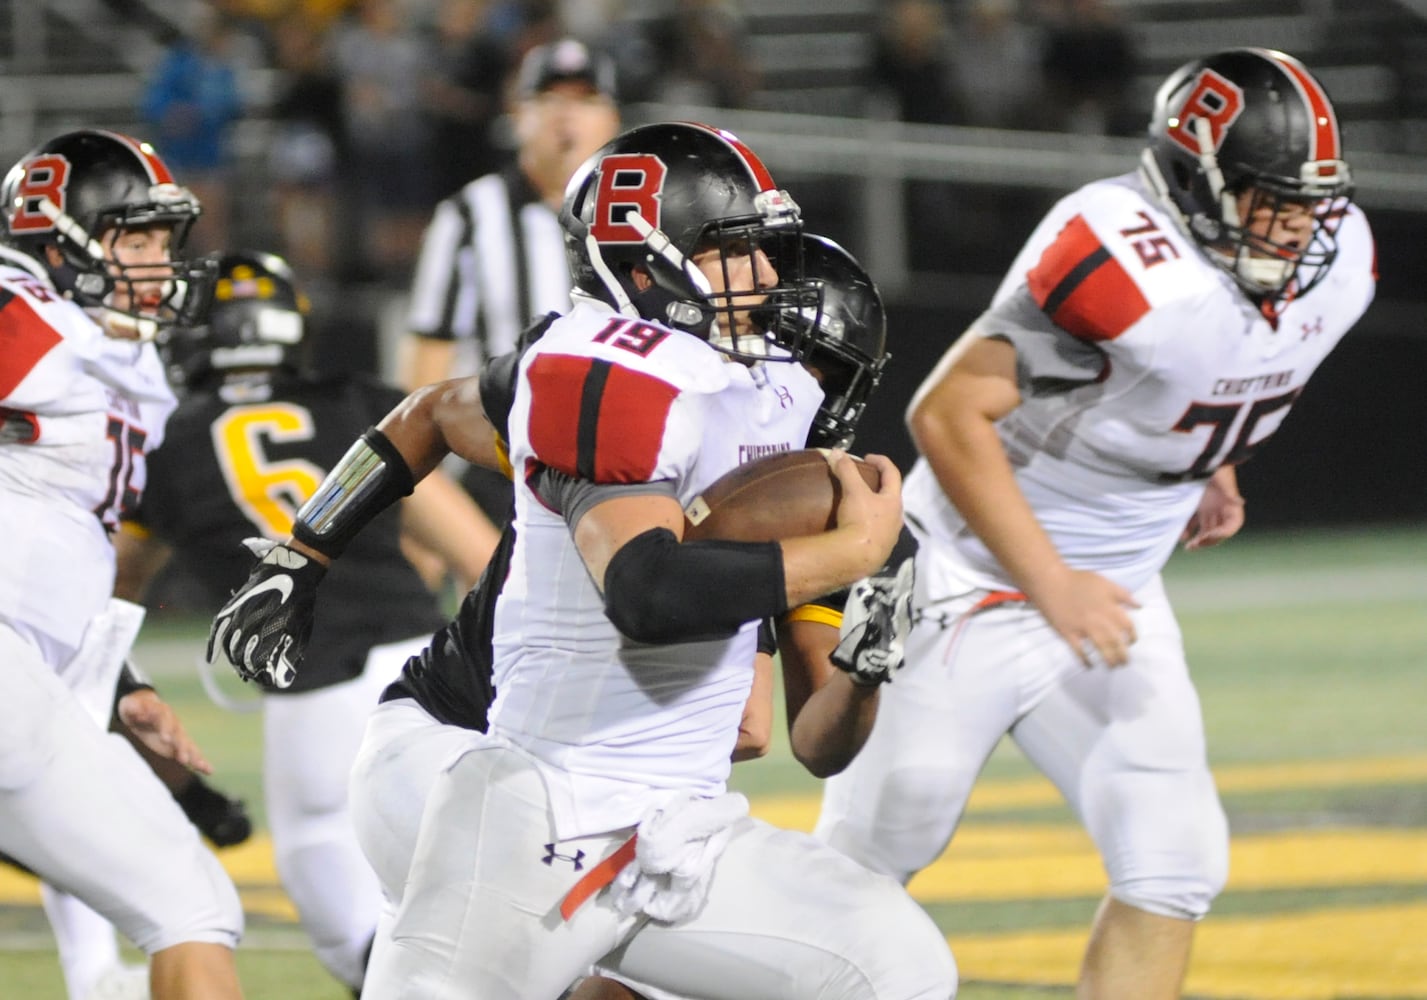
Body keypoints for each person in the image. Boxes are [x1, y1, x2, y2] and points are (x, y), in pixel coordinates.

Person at [208, 121, 957, 999]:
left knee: (896, 966)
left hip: (658, 816)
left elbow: (798, 737)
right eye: (738, 259)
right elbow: (652, 599)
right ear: (645, 267)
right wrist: (304, 551)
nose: (769, 314)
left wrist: (865, 662)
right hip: (490, 768)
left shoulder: (775, 451)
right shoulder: (603, 375)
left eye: (835, 373)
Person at [815, 47, 1376, 999]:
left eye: (1308, 200)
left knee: (1174, 862)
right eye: (1265, 198)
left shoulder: (1340, 257)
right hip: (954, 578)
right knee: (864, 867)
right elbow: (944, 414)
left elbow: (1206, 368)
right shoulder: (1119, 250)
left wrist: (1208, 460)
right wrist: (1051, 585)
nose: (1295, 227)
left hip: (1107, 591)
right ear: (1193, 178)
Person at [113, 249, 498, 994]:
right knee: (485, 908)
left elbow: (112, 593)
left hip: (314, 699)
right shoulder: (357, 404)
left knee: (356, 937)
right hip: (429, 674)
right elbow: (479, 558)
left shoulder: (164, 441)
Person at [0, 127, 245, 1000]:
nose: (155, 263)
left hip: (39, 671)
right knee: (187, 904)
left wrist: (121, 683)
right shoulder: (22, 311)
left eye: (161, 242)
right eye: (131, 240)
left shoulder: (107, 345)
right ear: (55, 240)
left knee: (194, 903)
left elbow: (71, 548)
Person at [400, 35, 622, 525]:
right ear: (517, 115)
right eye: (549, 99)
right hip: (504, 465)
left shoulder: (641, 219)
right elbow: (424, 376)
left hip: (626, 457)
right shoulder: (469, 215)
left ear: (613, 120)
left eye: (585, 100)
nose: (566, 116)